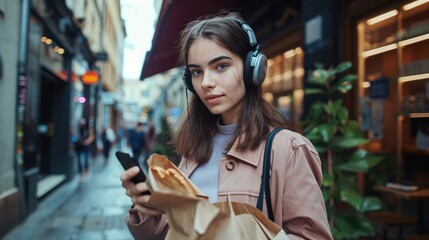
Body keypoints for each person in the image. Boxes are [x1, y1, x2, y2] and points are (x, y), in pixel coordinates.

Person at [120, 12, 332, 239]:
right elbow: (166, 232)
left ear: (253, 69)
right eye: (196, 72)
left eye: (220, 66)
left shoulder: (288, 150)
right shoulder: (194, 148)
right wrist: (148, 207)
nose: (206, 83)